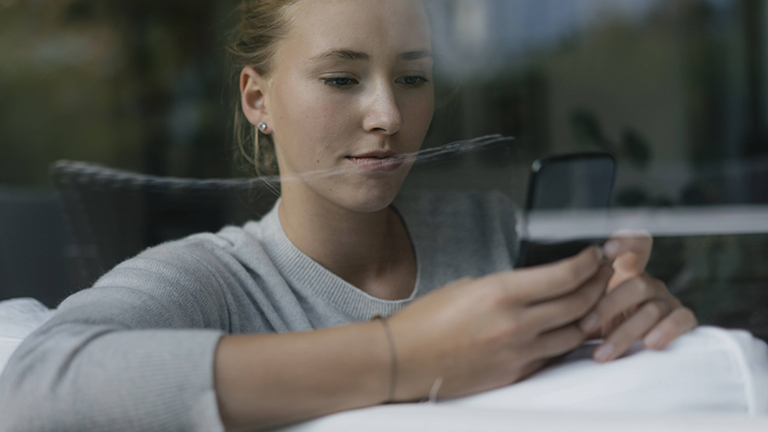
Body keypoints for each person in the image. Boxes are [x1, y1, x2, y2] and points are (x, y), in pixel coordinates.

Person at [0, 1, 697, 431]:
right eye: (341, 79)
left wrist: (631, 333)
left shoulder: (490, 231)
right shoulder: (215, 281)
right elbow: (34, 391)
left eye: (414, 78)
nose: (389, 116)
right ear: (256, 100)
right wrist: (402, 359)